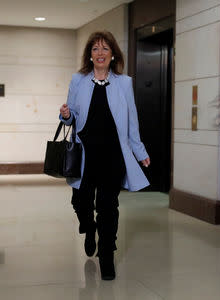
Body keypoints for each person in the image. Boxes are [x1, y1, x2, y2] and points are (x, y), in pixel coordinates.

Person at [59, 31, 150, 281]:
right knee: (81, 204)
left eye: (105, 49)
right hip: (85, 155)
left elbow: (132, 120)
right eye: (96, 49)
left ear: (113, 55)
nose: (100, 53)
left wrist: (139, 151)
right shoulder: (78, 80)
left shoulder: (124, 83)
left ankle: (107, 255)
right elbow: (71, 117)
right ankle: (89, 228)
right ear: (90, 55)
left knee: (108, 207)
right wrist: (66, 114)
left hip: (113, 155)